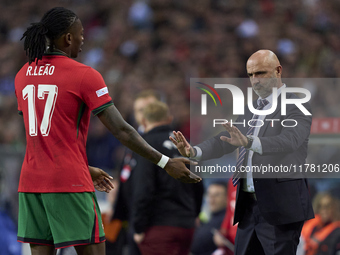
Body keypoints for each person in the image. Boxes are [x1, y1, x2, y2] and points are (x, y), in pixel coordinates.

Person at [15, 7, 200, 255]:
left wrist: (84, 167)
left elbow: (41, 137)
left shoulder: (22, 75)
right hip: (68, 183)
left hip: (31, 183)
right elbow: (122, 130)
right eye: (80, 34)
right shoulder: (83, 75)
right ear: (68, 38)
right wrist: (166, 162)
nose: (83, 39)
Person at [170, 49, 314, 255]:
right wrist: (194, 151)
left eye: (261, 73)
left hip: (280, 208)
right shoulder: (252, 108)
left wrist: (247, 141)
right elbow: (228, 140)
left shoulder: (296, 105)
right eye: (250, 75)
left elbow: (289, 141)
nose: (255, 80)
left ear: (278, 70)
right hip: (248, 208)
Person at [132, 101, 203, 255]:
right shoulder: (185, 143)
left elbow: (144, 188)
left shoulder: (146, 146)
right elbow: (198, 183)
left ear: (144, 121)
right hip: (186, 225)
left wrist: (138, 227)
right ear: (169, 119)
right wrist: (194, 215)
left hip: (159, 226)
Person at [111, 90, 160, 255]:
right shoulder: (132, 139)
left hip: (153, 221)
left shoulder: (164, 140)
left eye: (149, 108)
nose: (145, 114)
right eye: (140, 110)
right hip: (131, 218)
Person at [191, 181, 227, 255]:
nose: (211, 200)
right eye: (209, 195)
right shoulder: (209, 220)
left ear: (227, 197)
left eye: (217, 195)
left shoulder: (226, 222)